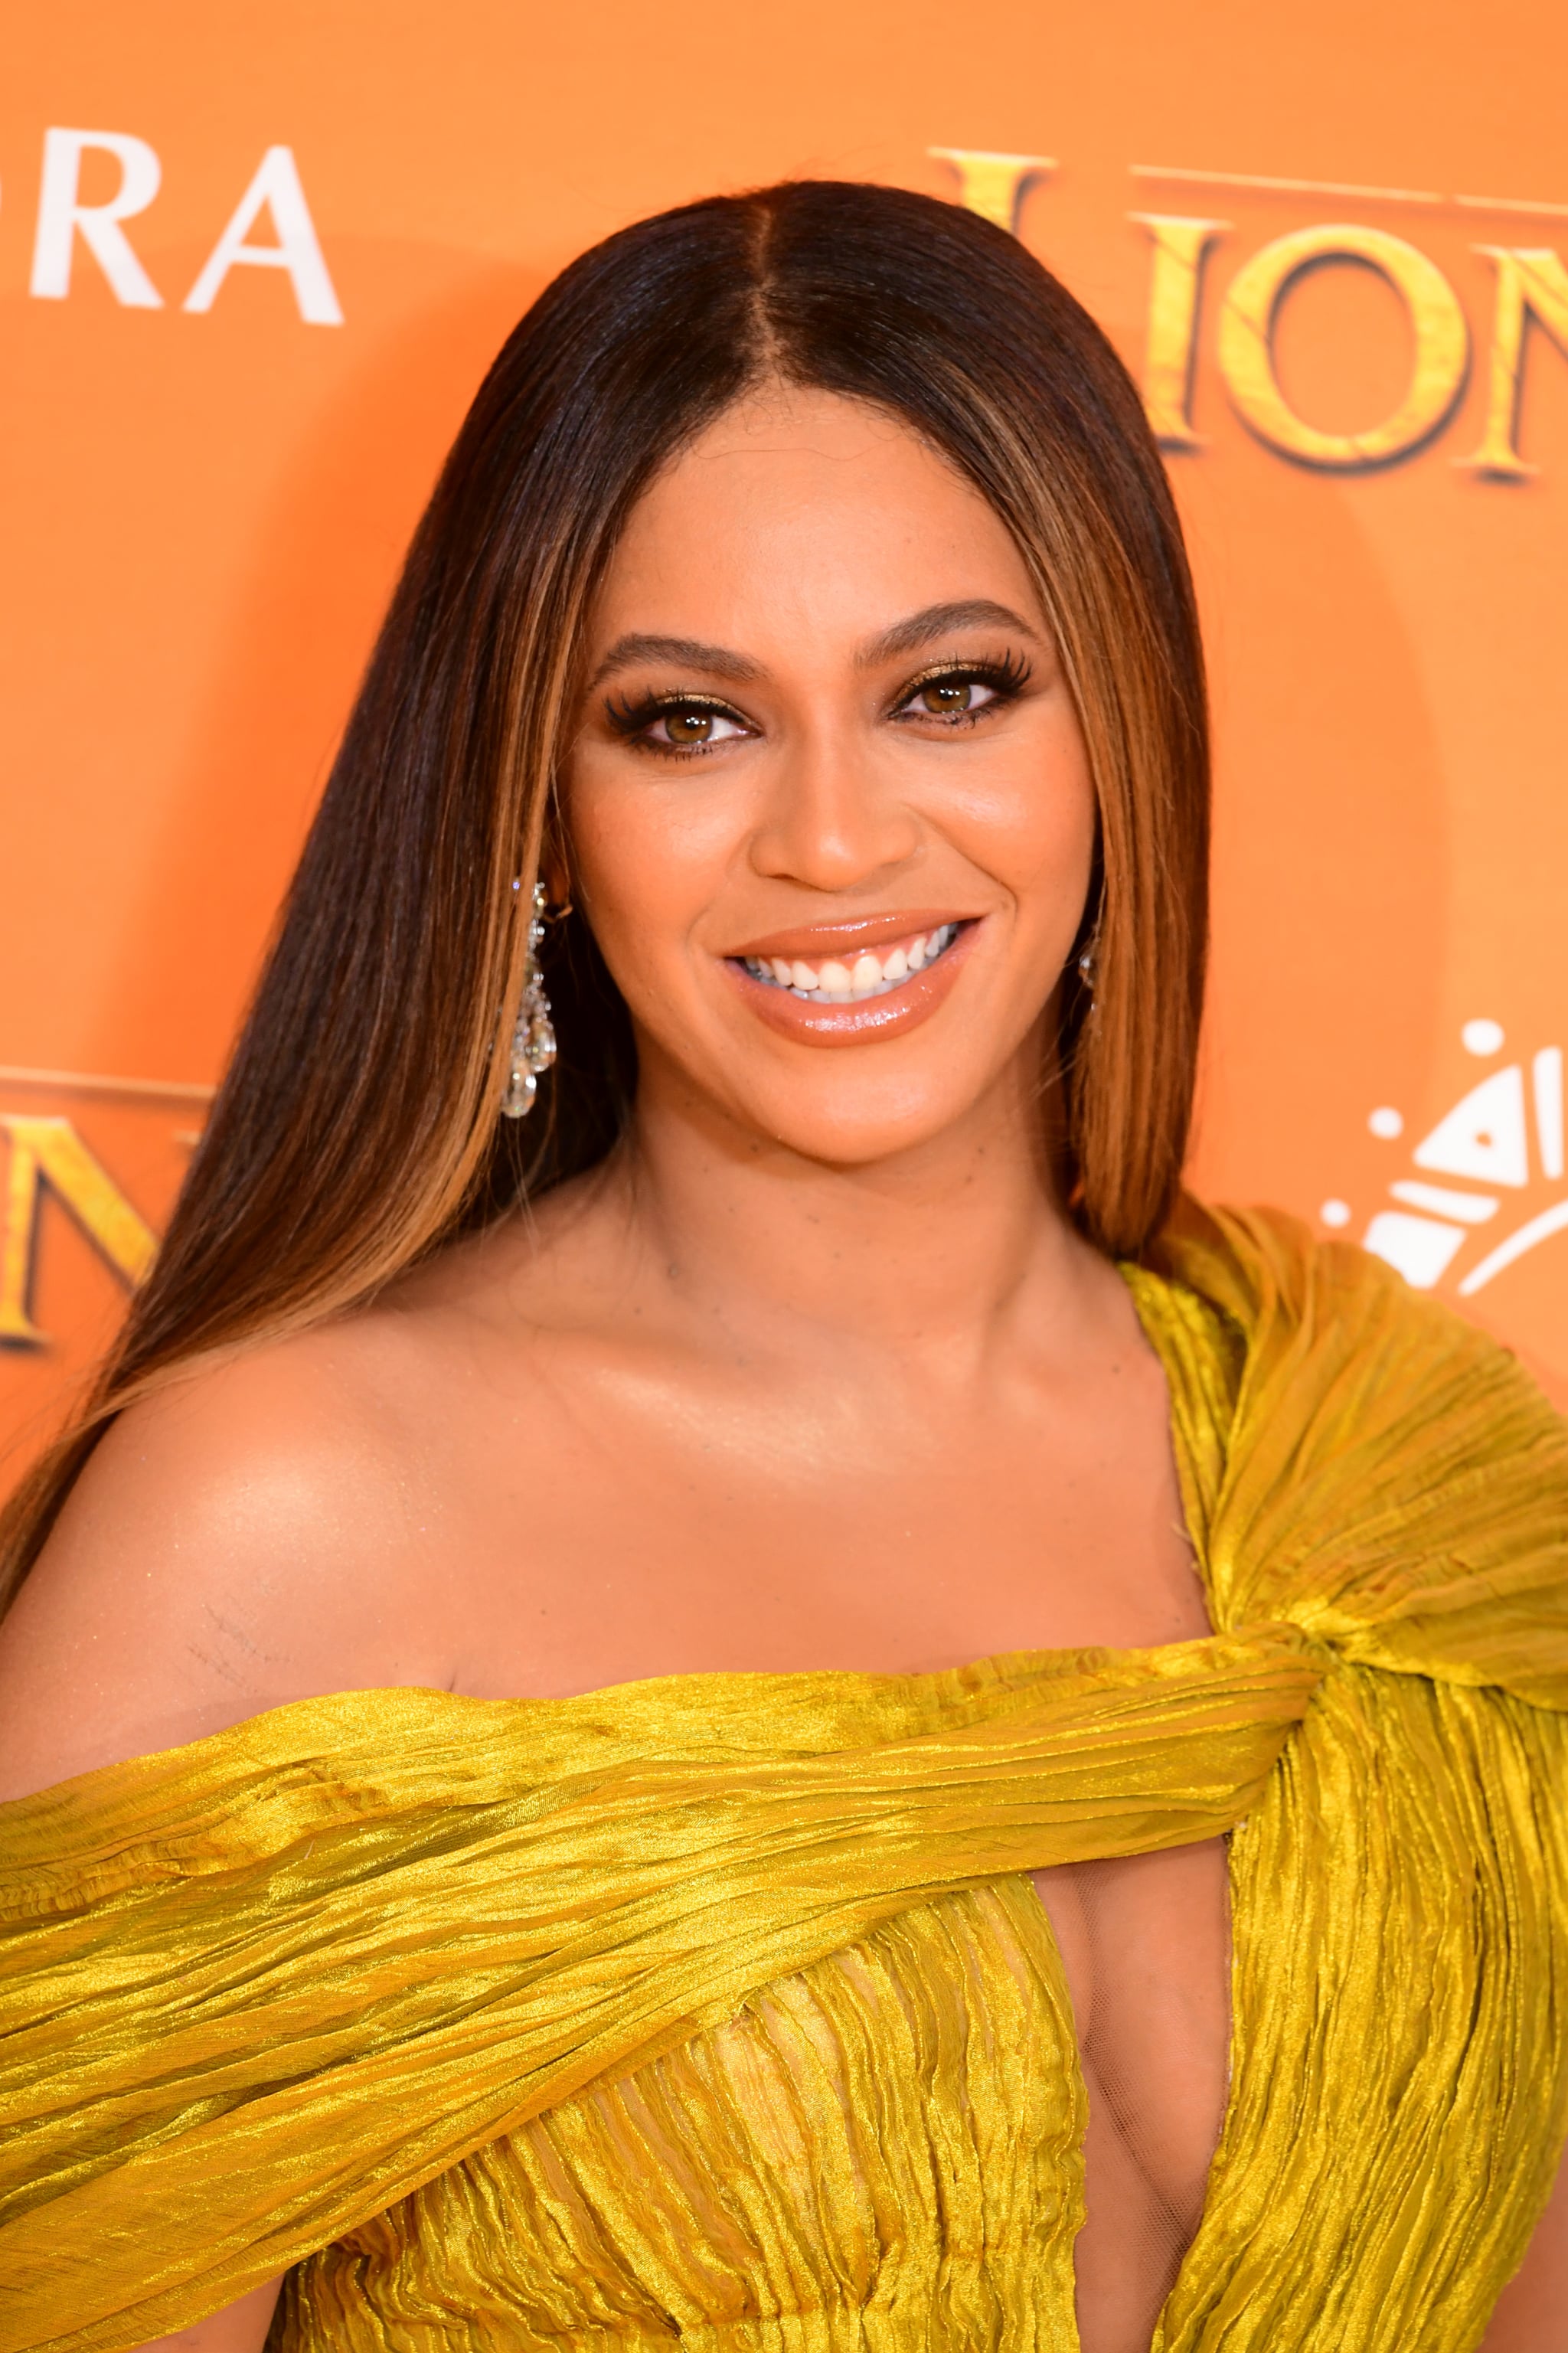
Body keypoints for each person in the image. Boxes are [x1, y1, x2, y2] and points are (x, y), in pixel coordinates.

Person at [0, 180, 1563, 2353]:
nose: (834, 838)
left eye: (952, 688)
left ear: (1117, 722)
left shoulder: (1420, 1503)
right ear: (536, 799)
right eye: (688, 720)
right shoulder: (277, 1513)